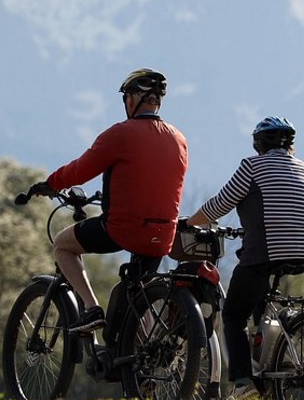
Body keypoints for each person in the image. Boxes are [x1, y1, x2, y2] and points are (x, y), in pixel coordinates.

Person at [27, 68, 188, 334]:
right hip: (163, 234)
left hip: (123, 230)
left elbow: (81, 169)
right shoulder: (179, 139)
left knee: (63, 245)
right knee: (137, 294)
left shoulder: (121, 134)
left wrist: (50, 184)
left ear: (133, 99)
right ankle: (144, 361)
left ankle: (91, 309)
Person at [184, 116, 304, 400]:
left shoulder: (252, 166)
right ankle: (277, 355)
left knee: (233, 314)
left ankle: (244, 381)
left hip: (268, 248)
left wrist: (190, 222)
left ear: (258, 144)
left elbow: (220, 203)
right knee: (260, 300)